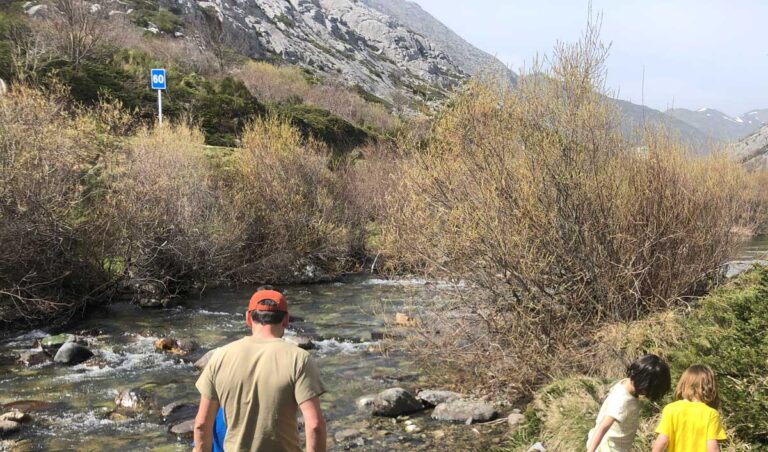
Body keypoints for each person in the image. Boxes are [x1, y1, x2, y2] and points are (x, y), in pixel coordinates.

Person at [193, 289, 327, 452]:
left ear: (248, 318)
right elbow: (315, 425)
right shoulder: (299, 359)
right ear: (285, 320)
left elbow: (201, 425)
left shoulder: (220, 357)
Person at [587, 354, 672, 452]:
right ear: (645, 385)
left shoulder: (626, 384)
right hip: (608, 448)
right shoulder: (622, 400)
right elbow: (603, 426)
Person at [652, 365, 726, 452]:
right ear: (710, 387)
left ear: (683, 384)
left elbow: (663, 440)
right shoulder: (711, 414)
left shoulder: (671, 409)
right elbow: (712, 447)